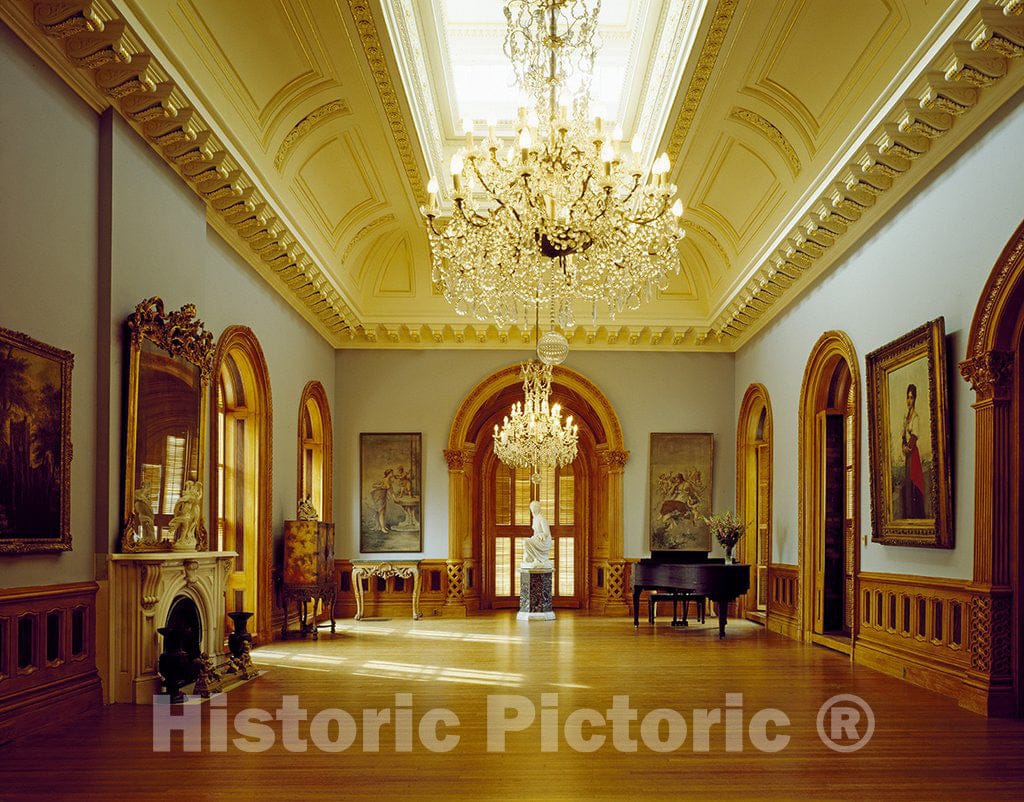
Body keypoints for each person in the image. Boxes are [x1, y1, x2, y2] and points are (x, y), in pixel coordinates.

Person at [900, 384, 926, 518]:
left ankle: (916, 514)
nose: (909, 400)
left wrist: (907, 448)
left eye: (911, 398)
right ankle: (909, 513)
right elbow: (903, 436)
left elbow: (914, 437)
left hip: (913, 454)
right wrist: (903, 446)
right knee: (907, 482)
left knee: (914, 480)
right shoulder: (906, 417)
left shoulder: (915, 417)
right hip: (907, 455)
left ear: (915, 399)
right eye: (908, 397)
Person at [521, 500, 553, 570]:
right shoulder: (535, 519)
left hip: (544, 541)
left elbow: (546, 533)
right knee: (526, 541)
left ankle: (536, 559)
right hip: (538, 539)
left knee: (527, 541)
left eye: (534, 507)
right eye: (531, 508)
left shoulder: (542, 519)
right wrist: (535, 537)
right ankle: (532, 558)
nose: (532, 510)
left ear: (537, 508)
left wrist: (540, 535)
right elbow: (535, 532)